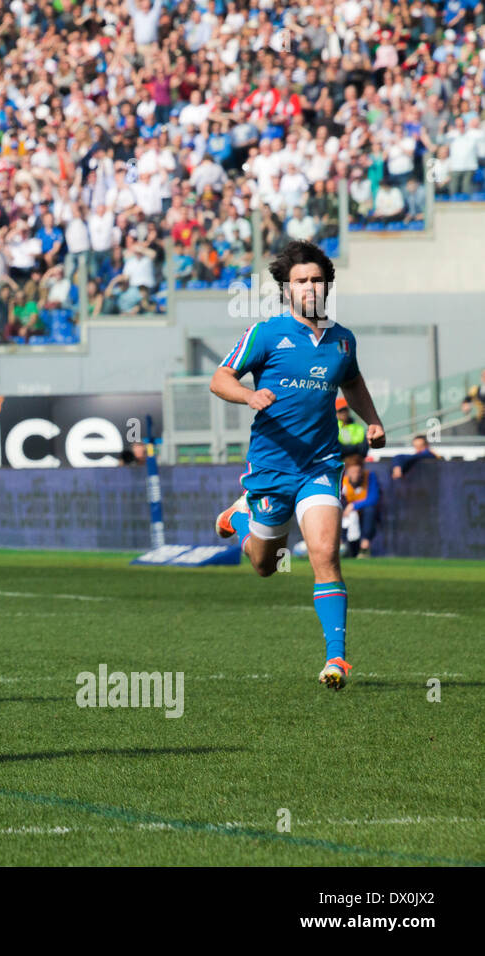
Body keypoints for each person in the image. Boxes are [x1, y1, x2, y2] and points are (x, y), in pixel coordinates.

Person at [212, 240, 385, 691]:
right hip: (271, 469)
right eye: (300, 281)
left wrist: (372, 420)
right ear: (286, 289)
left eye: (315, 279)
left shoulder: (343, 340)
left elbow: (353, 381)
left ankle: (336, 658)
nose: (308, 287)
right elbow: (219, 378)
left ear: (327, 283)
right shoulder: (266, 334)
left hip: (321, 465)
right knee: (266, 566)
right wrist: (249, 395)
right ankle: (241, 517)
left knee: (325, 554)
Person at [341, 454, 380, 558]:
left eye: (358, 472)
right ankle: (341, 545)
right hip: (346, 515)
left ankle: (364, 547)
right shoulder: (342, 480)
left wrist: (353, 506)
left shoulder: (369, 476)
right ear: (347, 471)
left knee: (370, 510)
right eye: (353, 472)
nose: (356, 475)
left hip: (364, 514)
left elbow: (373, 498)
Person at [461, 369, 485, 436]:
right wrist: (466, 407)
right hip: (481, 422)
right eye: (483, 376)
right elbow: (466, 401)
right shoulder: (476, 390)